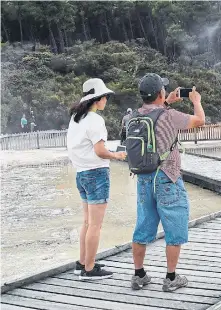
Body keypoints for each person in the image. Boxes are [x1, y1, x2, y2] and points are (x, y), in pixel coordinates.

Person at [130, 73, 205, 292]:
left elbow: (152, 112)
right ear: (161, 93)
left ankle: (139, 275)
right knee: (174, 226)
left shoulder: (133, 116)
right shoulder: (170, 116)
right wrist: (196, 102)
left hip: (143, 179)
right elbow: (199, 120)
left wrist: (167, 101)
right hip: (167, 177)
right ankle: (171, 278)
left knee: (143, 225)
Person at [66, 78, 127, 280]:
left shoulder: (76, 118)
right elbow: (100, 151)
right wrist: (116, 155)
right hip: (96, 174)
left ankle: (82, 262)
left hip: (81, 174)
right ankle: (89, 269)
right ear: (98, 99)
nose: (107, 100)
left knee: (87, 222)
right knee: (95, 225)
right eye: (106, 97)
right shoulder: (95, 120)